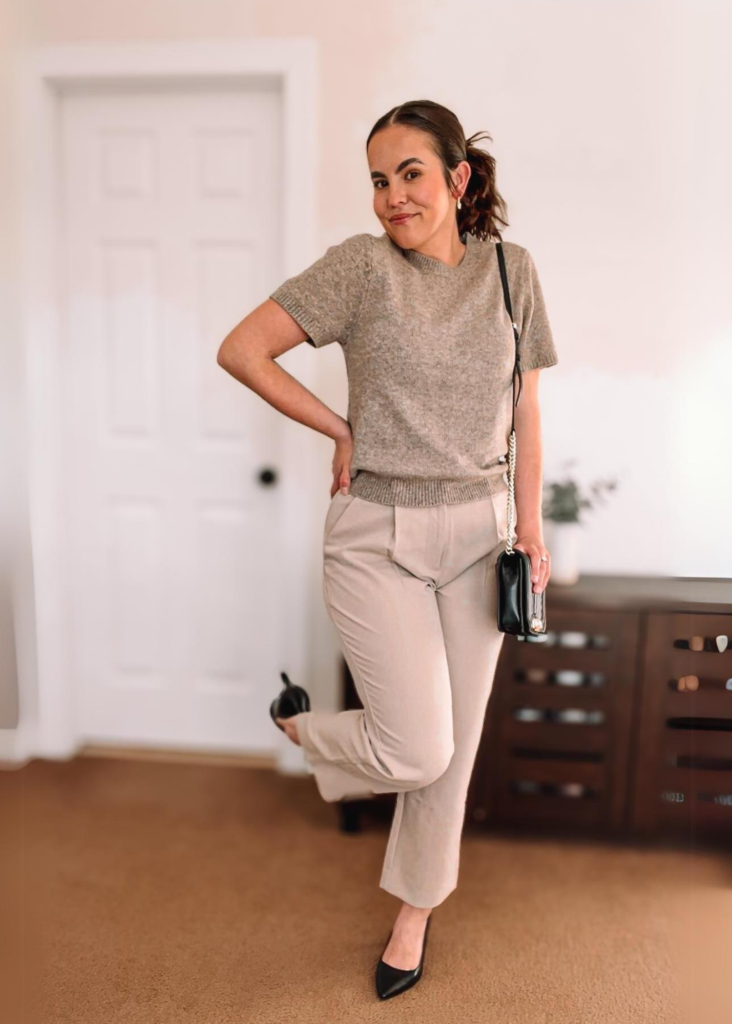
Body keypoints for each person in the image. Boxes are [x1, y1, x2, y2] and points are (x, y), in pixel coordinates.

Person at [216, 99, 558, 1000]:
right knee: (416, 749)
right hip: (377, 535)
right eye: (378, 180)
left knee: (455, 748)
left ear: (458, 178)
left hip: (481, 535)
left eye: (410, 174)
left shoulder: (513, 271)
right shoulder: (362, 269)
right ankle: (307, 732)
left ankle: (413, 916)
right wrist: (341, 428)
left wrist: (529, 524)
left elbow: (526, 408)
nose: (392, 196)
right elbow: (244, 350)